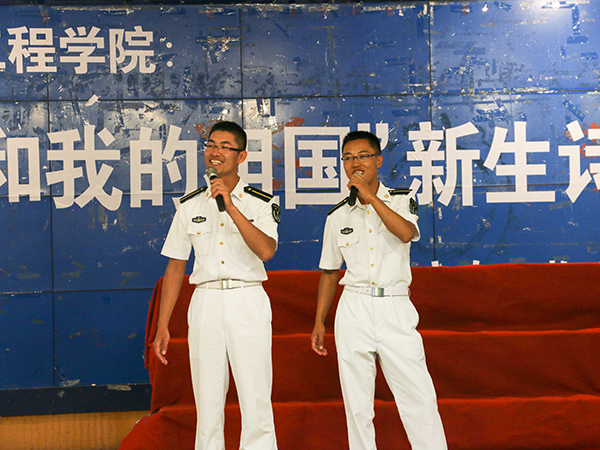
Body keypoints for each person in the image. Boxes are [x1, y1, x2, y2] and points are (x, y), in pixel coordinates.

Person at [310, 130, 447, 450]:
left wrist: (371, 199)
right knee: (357, 404)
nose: (355, 163)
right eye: (348, 158)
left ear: (378, 160)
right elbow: (329, 271)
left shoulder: (400, 199)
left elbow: (406, 233)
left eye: (363, 156)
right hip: (354, 308)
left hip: (394, 307)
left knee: (418, 396)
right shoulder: (337, 215)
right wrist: (319, 320)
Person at [153, 121, 280, 450]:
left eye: (225, 146)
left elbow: (266, 250)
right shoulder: (190, 204)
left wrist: (231, 206)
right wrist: (163, 324)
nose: (215, 152)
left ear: (241, 156)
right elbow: (176, 265)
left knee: (255, 398)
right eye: (211, 145)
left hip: (246, 300)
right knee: (207, 401)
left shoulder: (261, 202)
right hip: (206, 302)